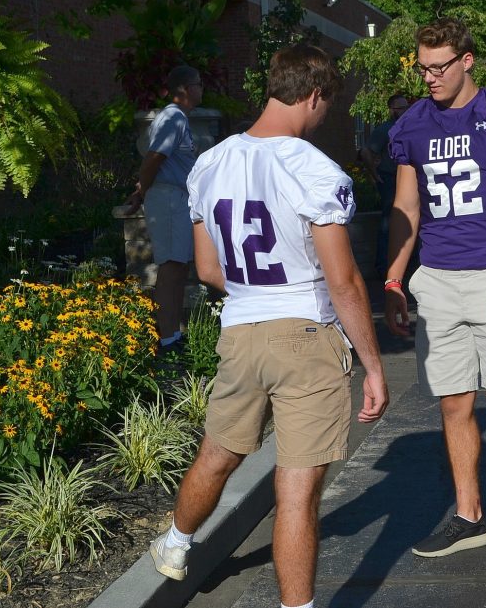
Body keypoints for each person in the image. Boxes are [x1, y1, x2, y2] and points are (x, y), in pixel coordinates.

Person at [148, 44, 390, 608]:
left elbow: (208, 269)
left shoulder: (209, 163)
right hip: (305, 331)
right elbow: (344, 281)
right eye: (326, 104)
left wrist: (255, 301)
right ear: (312, 94)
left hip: (241, 329)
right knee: (298, 490)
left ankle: (177, 542)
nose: (324, 115)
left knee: (218, 451)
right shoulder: (313, 168)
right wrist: (373, 365)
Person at [383, 16, 486, 558]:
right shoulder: (411, 125)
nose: (429, 77)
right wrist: (393, 276)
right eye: (422, 68)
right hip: (440, 281)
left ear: (467, 60)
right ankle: (470, 515)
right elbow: (407, 207)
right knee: (453, 405)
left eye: (439, 67)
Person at [125, 65, 203, 351]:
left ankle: (173, 335)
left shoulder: (177, 118)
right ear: (184, 89)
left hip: (175, 199)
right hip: (169, 199)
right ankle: (168, 339)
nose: (201, 89)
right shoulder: (173, 117)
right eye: (198, 83)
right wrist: (142, 191)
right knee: (171, 266)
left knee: (178, 266)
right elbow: (154, 157)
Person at [360, 93, 410, 276]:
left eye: (406, 107)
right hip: (390, 179)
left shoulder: (409, 127)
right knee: (388, 223)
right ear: (392, 110)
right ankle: (383, 266)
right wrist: (375, 174)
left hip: (407, 180)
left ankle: (407, 265)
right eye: (400, 108)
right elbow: (366, 151)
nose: (404, 111)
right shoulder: (385, 130)